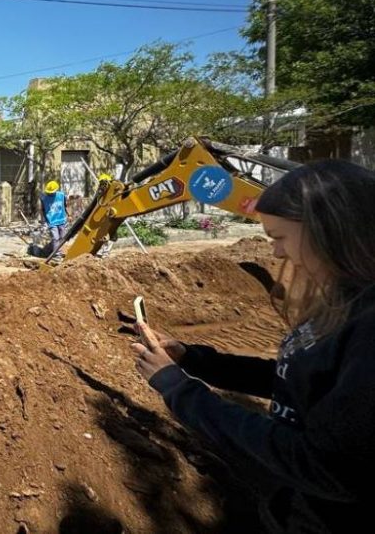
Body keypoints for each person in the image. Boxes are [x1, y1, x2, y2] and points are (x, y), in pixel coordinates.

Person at [132, 160, 375, 533]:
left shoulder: (367, 328)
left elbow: (324, 466)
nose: (276, 254)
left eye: (279, 237)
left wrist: (179, 390)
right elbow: (295, 379)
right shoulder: (345, 303)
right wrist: (195, 359)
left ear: (328, 231)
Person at [40, 179, 68, 257]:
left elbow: (65, 206)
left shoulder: (61, 196)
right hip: (51, 221)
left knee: (62, 237)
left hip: (61, 219)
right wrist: (43, 221)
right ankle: (57, 254)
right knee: (55, 237)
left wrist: (69, 215)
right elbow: (42, 210)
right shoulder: (44, 198)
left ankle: (54, 249)